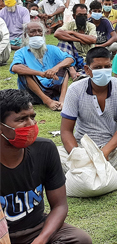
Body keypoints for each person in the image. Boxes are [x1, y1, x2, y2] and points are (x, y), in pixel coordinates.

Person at [1, 89, 92, 244]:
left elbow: (60, 206)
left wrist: (41, 240)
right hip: (4, 234)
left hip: (36, 229)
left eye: (32, 117)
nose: (31, 124)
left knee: (80, 240)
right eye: (21, 119)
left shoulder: (45, 149)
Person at [58, 47, 117, 179]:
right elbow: (66, 130)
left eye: (107, 67)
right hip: (84, 147)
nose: (103, 71)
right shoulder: (75, 90)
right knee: (56, 153)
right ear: (87, 70)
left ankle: (89, 172)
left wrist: (104, 152)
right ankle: (113, 170)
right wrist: (78, 155)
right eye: (98, 68)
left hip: (112, 147)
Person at [10, 21, 74, 111]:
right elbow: (15, 67)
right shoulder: (21, 52)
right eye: (32, 31)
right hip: (33, 93)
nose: (37, 34)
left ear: (43, 34)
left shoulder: (52, 49)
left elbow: (70, 59)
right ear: (25, 35)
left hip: (54, 88)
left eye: (39, 31)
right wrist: (40, 73)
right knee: (24, 72)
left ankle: (62, 100)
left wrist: (55, 68)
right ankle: (47, 101)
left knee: (64, 67)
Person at [54, 4, 97, 78]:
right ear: (74, 16)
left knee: (92, 69)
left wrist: (73, 33)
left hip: (87, 58)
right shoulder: (69, 25)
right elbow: (57, 33)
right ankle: (71, 68)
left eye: (85, 15)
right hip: (71, 56)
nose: (83, 17)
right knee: (63, 42)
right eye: (80, 15)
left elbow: (93, 40)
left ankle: (76, 73)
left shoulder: (91, 26)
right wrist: (78, 39)